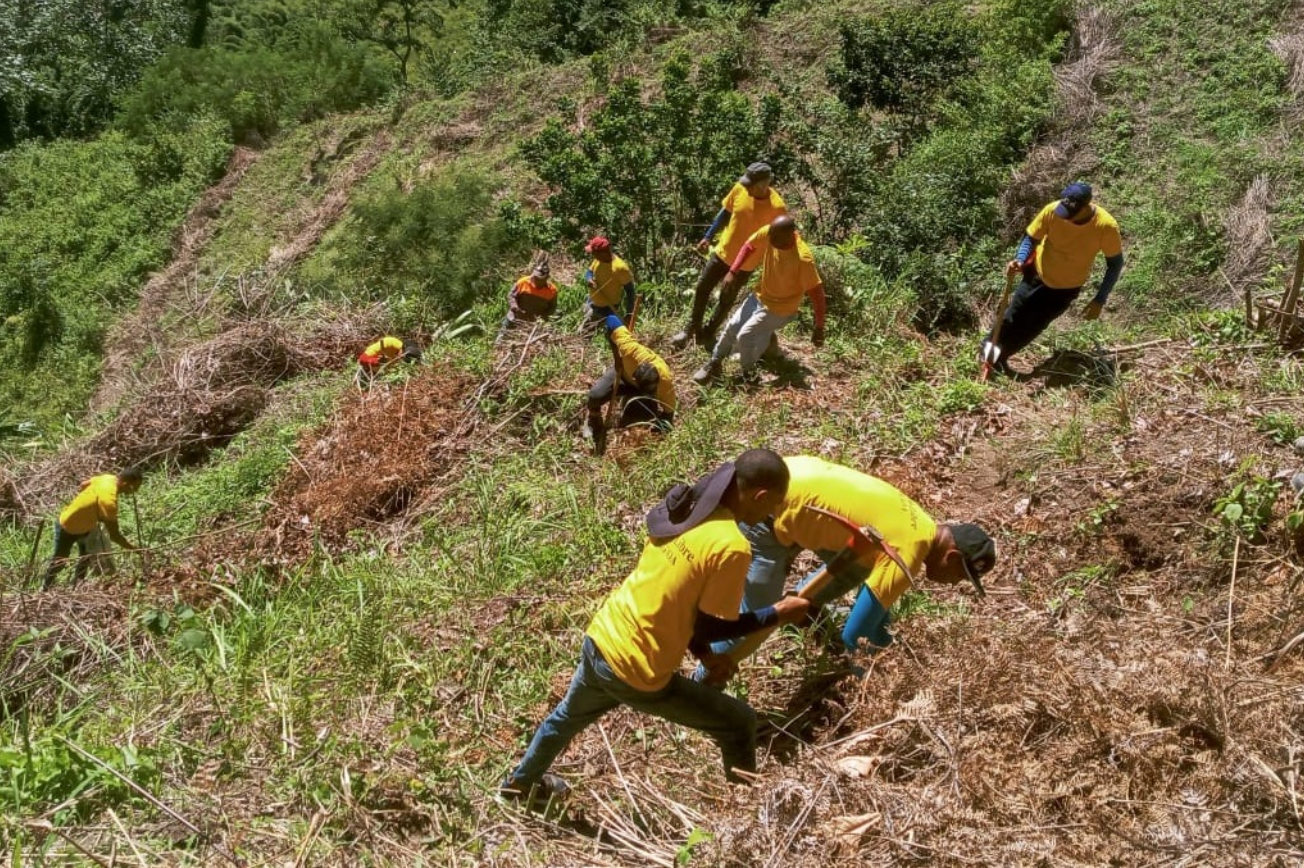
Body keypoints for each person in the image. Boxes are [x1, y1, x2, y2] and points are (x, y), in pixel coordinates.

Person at [500, 449, 810, 807]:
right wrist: (779, 612)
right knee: (738, 723)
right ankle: (745, 819)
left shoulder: (689, 512)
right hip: (636, 667)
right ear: (759, 496)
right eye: (771, 506)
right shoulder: (732, 546)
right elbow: (711, 626)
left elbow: (681, 602)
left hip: (603, 635)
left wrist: (706, 658)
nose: (771, 515)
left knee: (565, 717)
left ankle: (519, 785)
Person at [694, 456, 996, 676]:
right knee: (754, 622)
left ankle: (805, 607)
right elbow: (857, 637)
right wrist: (874, 682)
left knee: (862, 565)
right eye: (960, 575)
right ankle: (702, 686)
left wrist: (886, 647)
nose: (955, 583)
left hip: (793, 478)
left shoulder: (921, 523)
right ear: (952, 556)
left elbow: (877, 617)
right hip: (767, 509)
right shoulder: (908, 552)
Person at [982, 182, 1124, 373]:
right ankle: (985, 353)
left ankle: (1001, 360)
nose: (1064, 217)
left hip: (1066, 288)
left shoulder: (1105, 226)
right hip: (1037, 274)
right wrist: (1020, 260)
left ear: (1085, 207)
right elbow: (1031, 238)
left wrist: (1100, 299)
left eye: (1071, 213)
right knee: (1013, 315)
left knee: (1033, 326)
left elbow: (1114, 264)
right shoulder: (1051, 211)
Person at [693, 216, 825, 386]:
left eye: (776, 239)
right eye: (771, 237)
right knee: (731, 326)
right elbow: (749, 245)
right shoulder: (772, 232)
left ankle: (749, 374)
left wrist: (819, 327)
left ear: (790, 235)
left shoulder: (802, 258)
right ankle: (715, 363)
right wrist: (733, 271)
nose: (771, 241)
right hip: (760, 296)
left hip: (781, 308)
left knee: (745, 336)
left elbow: (817, 293)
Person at [671, 162, 787, 350]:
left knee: (726, 299)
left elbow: (776, 241)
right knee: (702, 289)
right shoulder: (739, 189)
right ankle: (692, 328)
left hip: (745, 264)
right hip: (722, 252)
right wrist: (708, 236)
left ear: (763, 184)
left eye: (750, 184)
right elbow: (724, 214)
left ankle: (709, 333)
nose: (745, 186)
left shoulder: (777, 208)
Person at [583, 314, 676, 455]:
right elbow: (611, 318)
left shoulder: (665, 385)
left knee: (642, 420)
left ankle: (635, 408)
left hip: (642, 394)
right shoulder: (630, 350)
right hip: (623, 375)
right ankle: (594, 419)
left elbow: (668, 415)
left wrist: (657, 434)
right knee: (595, 395)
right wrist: (616, 355)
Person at [43, 467, 144, 589]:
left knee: (85, 557)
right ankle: (45, 589)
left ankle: (77, 586)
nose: (135, 491)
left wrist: (87, 504)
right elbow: (114, 535)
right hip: (68, 527)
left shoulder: (107, 478)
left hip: (84, 525)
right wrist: (135, 549)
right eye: (135, 487)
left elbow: (83, 485)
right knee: (60, 560)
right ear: (126, 483)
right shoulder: (109, 502)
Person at [581, 236, 636, 331]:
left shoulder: (620, 268)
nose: (593, 255)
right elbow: (589, 271)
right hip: (593, 303)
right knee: (585, 334)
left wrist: (629, 313)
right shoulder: (598, 259)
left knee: (612, 336)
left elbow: (630, 291)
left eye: (594, 253)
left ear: (603, 253)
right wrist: (589, 279)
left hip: (608, 308)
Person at [497, 259, 559, 342]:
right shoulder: (523, 282)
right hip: (514, 318)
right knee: (501, 340)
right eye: (535, 277)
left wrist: (543, 317)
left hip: (533, 324)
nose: (536, 280)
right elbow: (511, 295)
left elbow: (552, 307)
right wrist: (515, 307)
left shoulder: (552, 291)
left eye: (539, 279)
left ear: (546, 278)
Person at [356, 336, 421, 388]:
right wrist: (378, 361)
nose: (401, 359)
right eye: (403, 356)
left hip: (384, 379)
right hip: (367, 372)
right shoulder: (389, 343)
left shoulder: (408, 361)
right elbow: (362, 359)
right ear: (402, 348)